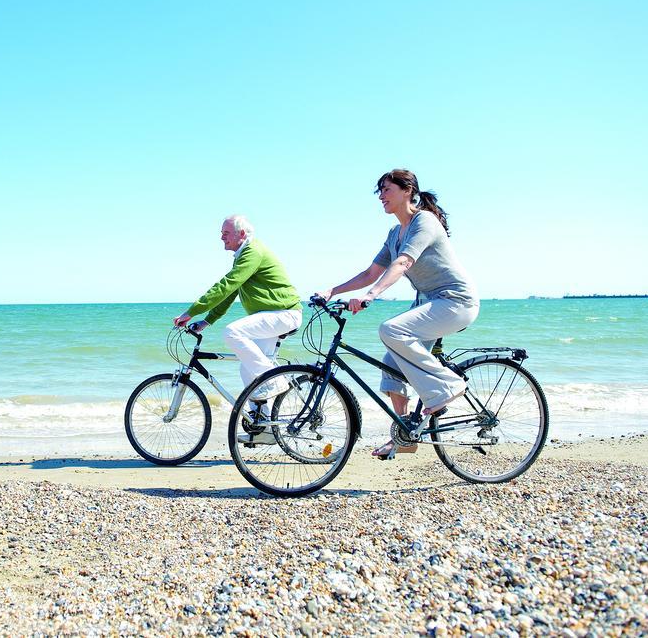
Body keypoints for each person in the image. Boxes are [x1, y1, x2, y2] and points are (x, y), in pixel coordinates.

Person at [314, 170, 479, 458]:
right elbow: (371, 272)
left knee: (391, 330)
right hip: (428, 302)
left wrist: (371, 295)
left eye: (386, 189)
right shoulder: (395, 233)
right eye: (379, 191)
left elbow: (403, 262)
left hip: (455, 301)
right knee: (392, 364)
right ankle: (404, 436)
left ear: (407, 191)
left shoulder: (424, 221)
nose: (381, 196)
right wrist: (332, 291)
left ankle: (448, 385)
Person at [174, 215, 302, 441]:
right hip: (271, 316)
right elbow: (230, 293)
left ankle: (274, 381)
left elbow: (227, 284)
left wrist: (192, 311)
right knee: (247, 369)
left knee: (233, 332)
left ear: (241, 234)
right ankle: (263, 430)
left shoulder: (253, 251)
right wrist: (206, 320)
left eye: (225, 232)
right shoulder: (243, 256)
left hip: (284, 313)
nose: (221, 237)